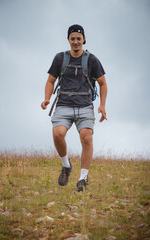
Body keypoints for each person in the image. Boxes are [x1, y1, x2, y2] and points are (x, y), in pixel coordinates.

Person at [41, 24, 107, 192]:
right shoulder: (60, 58)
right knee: (58, 133)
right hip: (63, 105)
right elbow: (50, 81)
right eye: (73, 39)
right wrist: (47, 99)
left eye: (79, 39)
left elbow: (102, 83)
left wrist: (102, 105)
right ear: (68, 40)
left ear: (84, 39)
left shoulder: (91, 60)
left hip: (85, 106)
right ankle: (66, 166)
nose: (76, 42)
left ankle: (83, 178)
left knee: (87, 137)